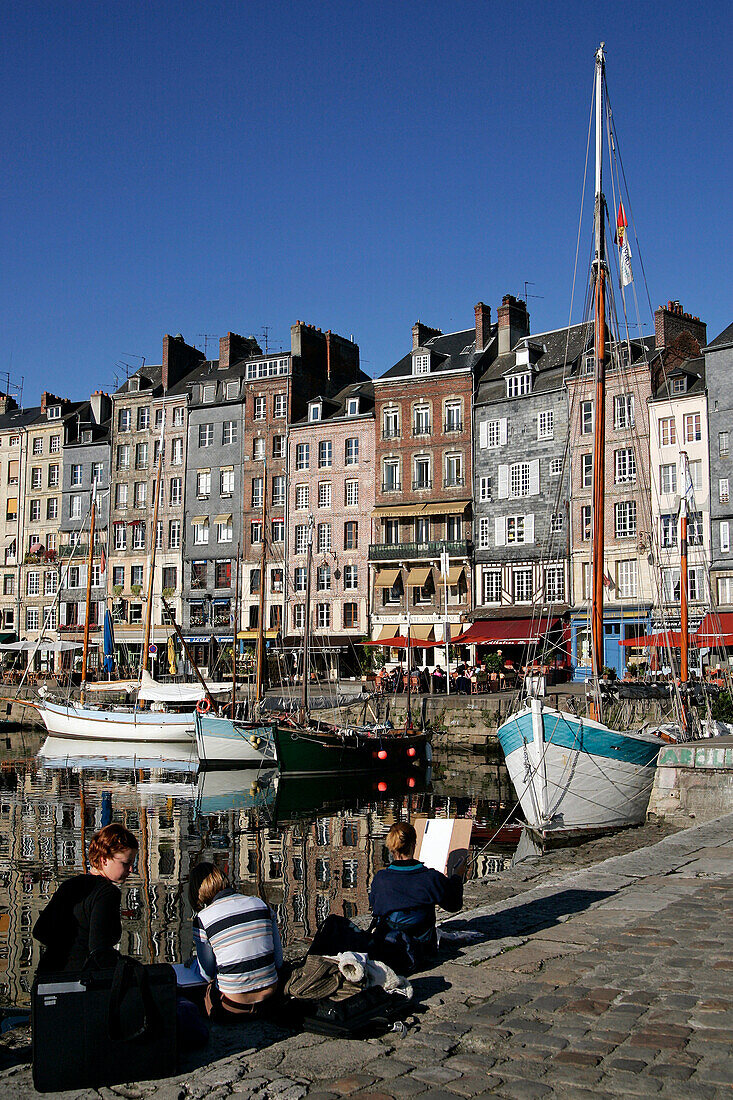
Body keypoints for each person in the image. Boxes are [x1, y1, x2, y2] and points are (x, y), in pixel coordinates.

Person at [33, 823, 138, 975]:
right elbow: (99, 950)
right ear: (104, 859)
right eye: (126, 863)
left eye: (132, 863)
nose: (131, 869)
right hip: (79, 981)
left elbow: (40, 931)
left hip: (46, 975)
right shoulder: (107, 893)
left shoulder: (68, 885)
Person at [188, 862, 283, 1022]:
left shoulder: (202, 919)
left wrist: (193, 964)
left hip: (232, 1006)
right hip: (271, 999)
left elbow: (207, 973)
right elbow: (278, 961)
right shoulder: (261, 904)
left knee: (203, 994)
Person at [368, 822, 463, 973]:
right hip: (422, 949)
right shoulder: (430, 878)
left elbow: (376, 907)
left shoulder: (381, 878)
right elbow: (454, 905)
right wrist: (457, 876)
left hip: (386, 946)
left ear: (392, 849)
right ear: (413, 845)